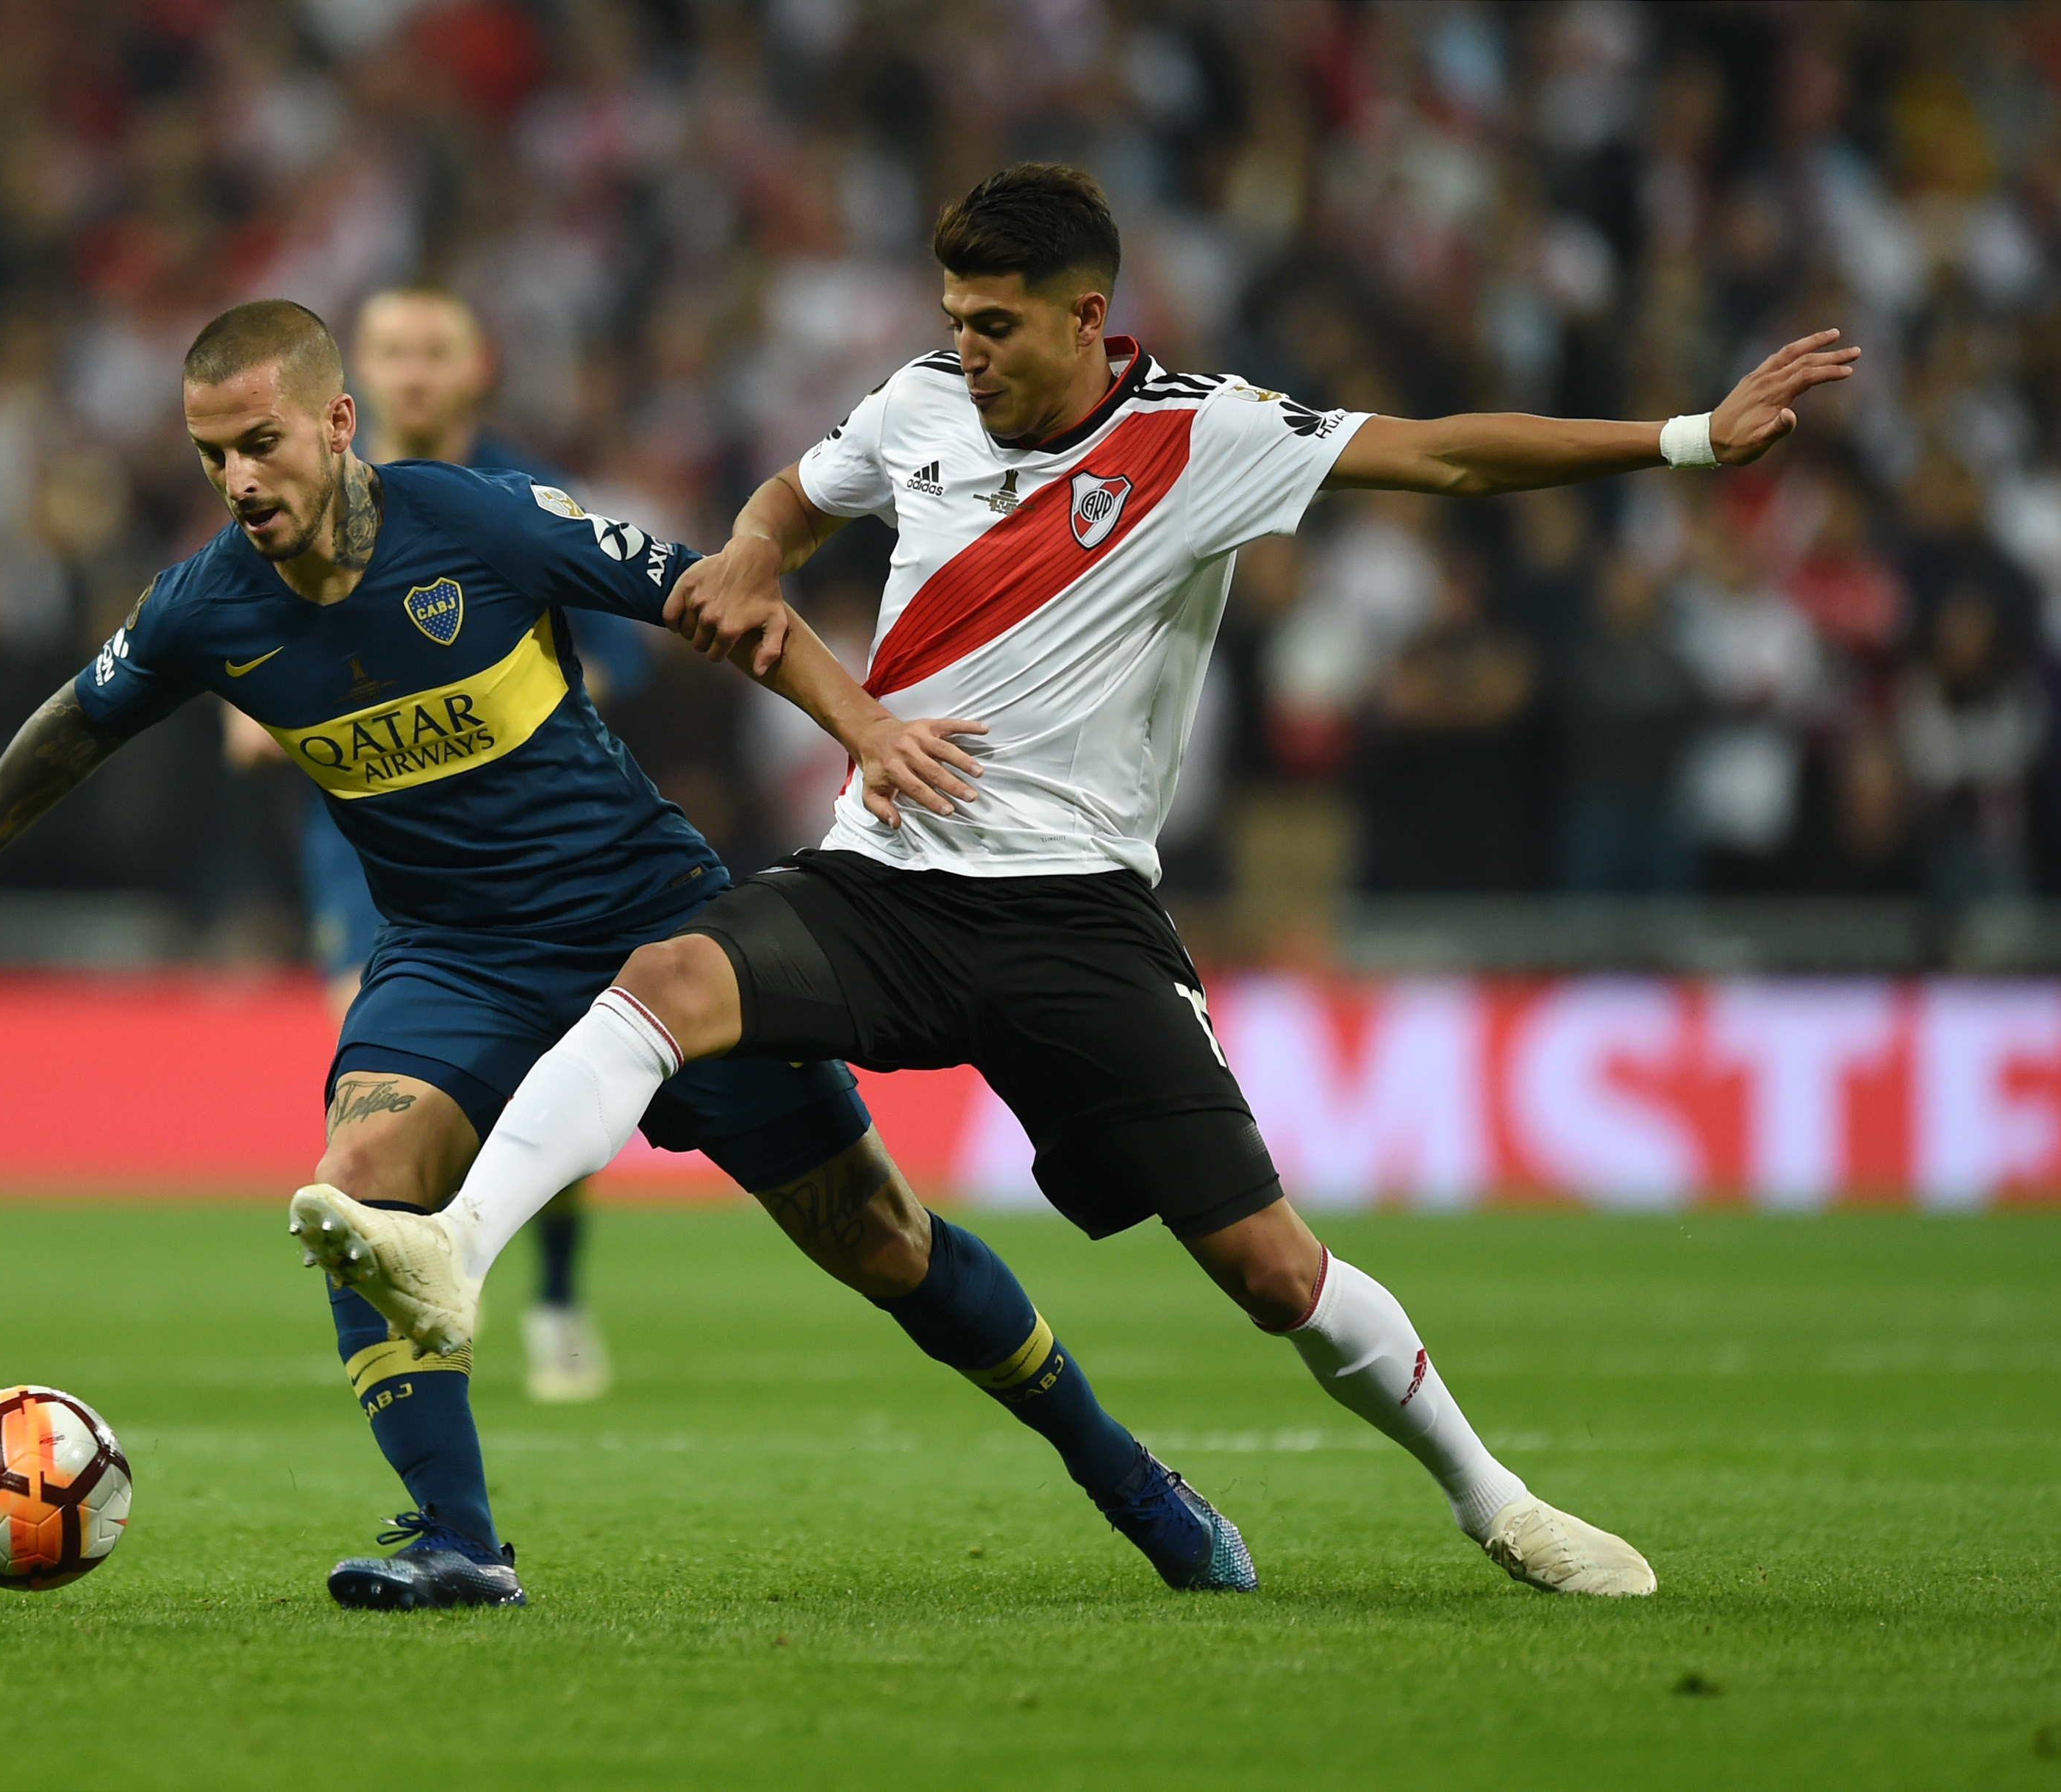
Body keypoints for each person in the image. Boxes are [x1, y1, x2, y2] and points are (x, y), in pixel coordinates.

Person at [295, 163, 1861, 1599]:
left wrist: (1687, 440)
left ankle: (1493, 1498)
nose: (963, 351)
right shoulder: (915, 402)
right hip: (888, 880)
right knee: (668, 980)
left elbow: (1444, 459)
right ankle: (460, 1255)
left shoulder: (1205, 438)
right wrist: (760, 548)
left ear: (1086, 317)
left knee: (1269, 1270)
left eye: (992, 325)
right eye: (951, 321)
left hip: (1076, 919)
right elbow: (796, 489)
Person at [0, 301, 1246, 1611]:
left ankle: (1123, 1471)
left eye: (260, 444)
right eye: (211, 456)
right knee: (356, 1190)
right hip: (455, 956)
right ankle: (457, 1539)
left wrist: (863, 728)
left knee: (877, 1238)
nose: (238, 482)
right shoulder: (206, 605)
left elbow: (715, 598)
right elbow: (72, 722)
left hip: (654, 933)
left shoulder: (482, 524)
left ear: (336, 426)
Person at [221, 285, 640, 1403]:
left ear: (476, 366)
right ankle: (431, 1301)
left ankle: (548, 1292)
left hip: (526, 856)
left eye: (432, 351)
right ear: (347, 387)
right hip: (364, 862)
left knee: (544, 1080)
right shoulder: (288, 501)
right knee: (384, 1091)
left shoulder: (513, 498)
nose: (411, 372)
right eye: (390, 352)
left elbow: (614, 657)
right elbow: (231, 677)